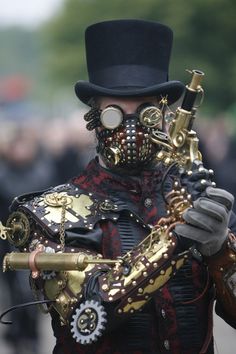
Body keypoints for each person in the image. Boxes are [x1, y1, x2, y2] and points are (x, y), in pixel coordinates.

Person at [1, 19, 236, 354]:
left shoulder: (196, 196)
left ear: (165, 115)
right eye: (114, 114)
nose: (130, 128)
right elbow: (87, 315)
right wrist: (172, 242)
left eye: (146, 114)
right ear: (94, 117)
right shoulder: (52, 214)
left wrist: (221, 252)